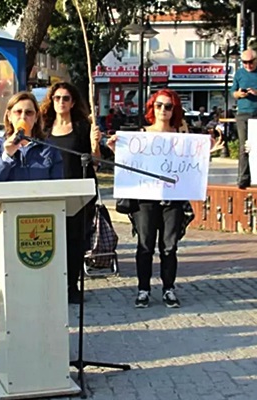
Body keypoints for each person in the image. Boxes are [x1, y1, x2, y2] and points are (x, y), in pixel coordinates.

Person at [107, 90, 189, 309]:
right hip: (145, 198)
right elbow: (129, 162)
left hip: (173, 198)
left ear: (175, 110)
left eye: (168, 106)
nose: (163, 110)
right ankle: (143, 289)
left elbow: (191, 165)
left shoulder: (181, 135)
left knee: (169, 246)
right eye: (159, 105)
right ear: (152, 108)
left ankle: (169, 288)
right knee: (145, 245)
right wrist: (117, 150)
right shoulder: (140, 134)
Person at [39, 82, 101, 304]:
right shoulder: (44, 127)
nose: (61, 102)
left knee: (76, 241)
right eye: (57, 98)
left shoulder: (83, 127)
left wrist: (95, 144)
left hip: (79, 192)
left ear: (73, 102)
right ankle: (53, 283)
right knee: (53, 240)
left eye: (66, 98)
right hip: (51, 191)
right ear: (51, 100)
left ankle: (72, 285)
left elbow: (95, 162)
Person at [0, 91, 63, 182]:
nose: (23, 117)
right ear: (9, 116)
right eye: (18, 112)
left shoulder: (49, 148)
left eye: (29, 113)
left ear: (36, 117)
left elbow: (57, 186)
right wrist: (6, 156)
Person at [231, 49, 257, 189]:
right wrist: (239, 94)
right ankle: (243, 178)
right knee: (244, 147)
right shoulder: (239, 73)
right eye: (245, 62)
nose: (248, 65)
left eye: (250, 62)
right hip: (243, 112)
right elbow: (233, 92)